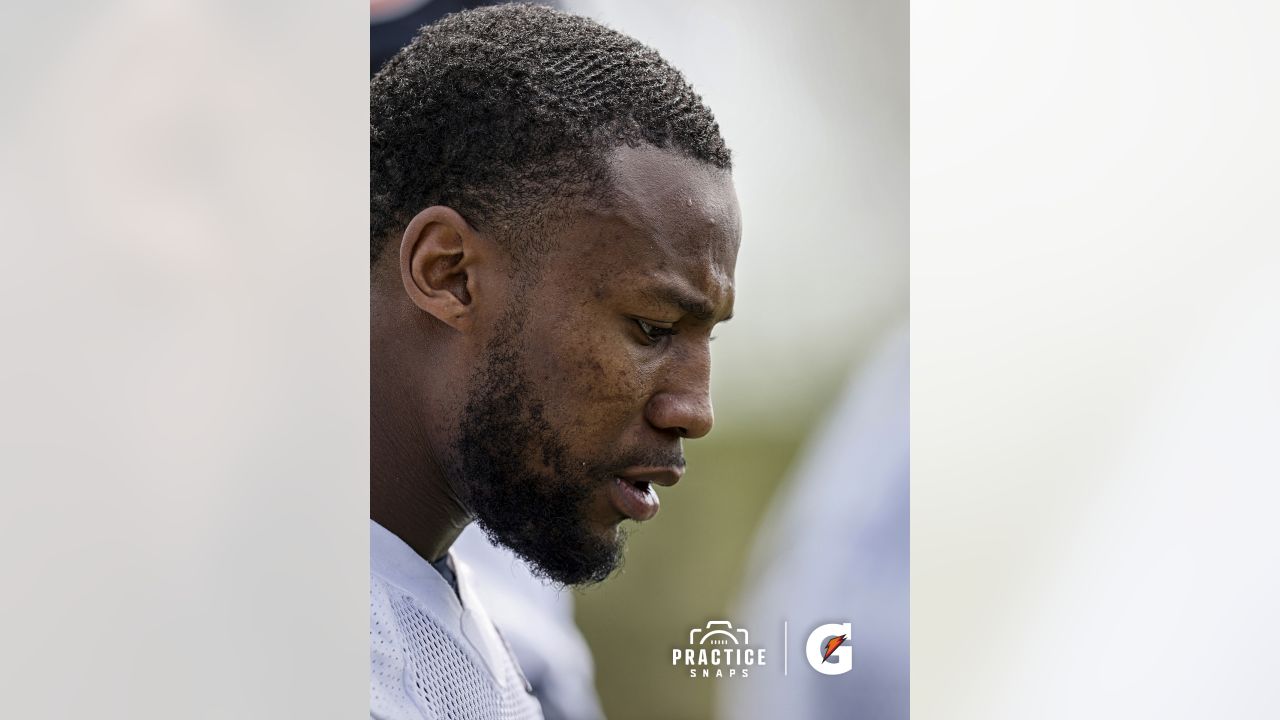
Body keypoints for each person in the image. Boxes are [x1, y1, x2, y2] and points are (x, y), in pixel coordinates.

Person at [369, 5, 739, 719]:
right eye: (652, 327)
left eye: (706, 340)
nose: (695, 411)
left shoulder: (437, 623)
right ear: (449, 274)